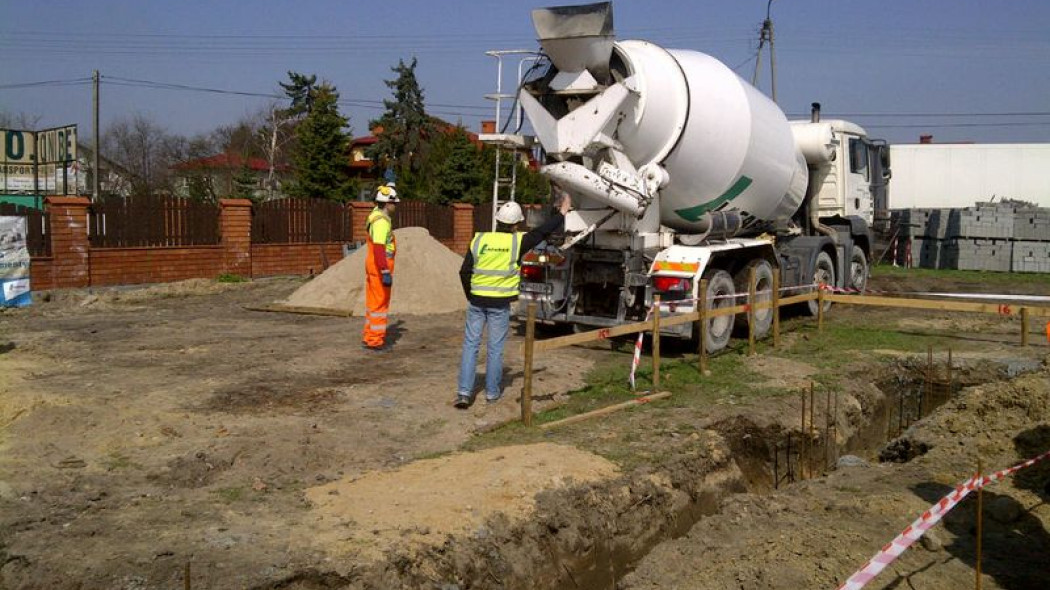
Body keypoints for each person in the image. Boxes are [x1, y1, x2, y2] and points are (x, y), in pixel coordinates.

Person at [454, 192, 572, 408]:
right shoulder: (518, 242)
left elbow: (464, 272)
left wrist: (471, 295)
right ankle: (491, 393)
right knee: (495, 349)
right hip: (499, 304)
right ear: (517, 224)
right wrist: (562, 213)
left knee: (470, 346)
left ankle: (463, 393)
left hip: (477, 302)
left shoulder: (479, 239)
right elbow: (542, 232)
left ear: (497, 220)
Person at [362, 184, 398, 351]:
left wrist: (390, 183)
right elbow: (379, 248)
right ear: (387, 203)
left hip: (372, 264)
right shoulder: (382, 222)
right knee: (379, 304)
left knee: (372, 304)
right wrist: (384, 271)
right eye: (394, 203)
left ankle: (369, 336)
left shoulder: (375, 215)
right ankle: (375, 340)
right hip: (380, 266)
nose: (395, 206)